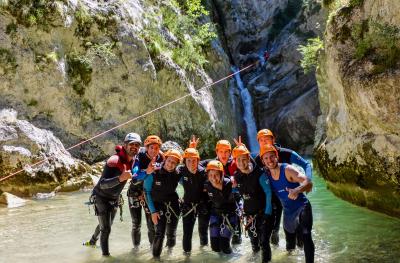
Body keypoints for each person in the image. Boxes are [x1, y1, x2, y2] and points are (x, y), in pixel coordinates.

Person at [84, 132, 141, 256]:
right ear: (125, 145)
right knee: (106, 229)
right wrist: (121, 178)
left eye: (137, 145)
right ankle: (106, 257)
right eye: (131, 144)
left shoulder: (134, 161)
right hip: (101, 197)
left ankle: (92, 242)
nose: (134, 147)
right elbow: (102, 184)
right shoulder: (114, 161)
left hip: (114, 198)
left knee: (105, 225)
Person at [254, 129, 312, 246]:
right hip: (273, 194)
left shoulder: (285, 153)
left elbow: (306, 164)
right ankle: (276, 245)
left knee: (298, 232)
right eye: (261, 140)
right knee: (276, 229)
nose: (264, 142)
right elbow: (249, 172)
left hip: (289, 192)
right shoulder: (259, 159)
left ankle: (300, 249)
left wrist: (307, 182)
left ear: (273, 139)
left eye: (267, 139)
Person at [260, 144, 314, 263]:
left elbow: (309, 183)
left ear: (277, 156)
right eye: (266, 158)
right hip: (288, 213)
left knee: (306, 235)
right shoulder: (266, 175)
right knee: (290, 247)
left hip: (302, 207)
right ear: (263, 161)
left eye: (272, 157)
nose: (270, 160)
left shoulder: (288, 169)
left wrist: (297, 190)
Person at [232, 144, 273, 262]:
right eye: (238, 159)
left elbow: (268, 192)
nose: (241, 162)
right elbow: (238, 190)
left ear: (249, 158)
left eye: (243, 159)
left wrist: (267, 213)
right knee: (254, 244)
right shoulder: (237, 176)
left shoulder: (259, 174)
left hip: (263, 213)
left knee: (264, 243)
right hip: (249, 216)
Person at [200, 140, 242, 244]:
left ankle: (237, 247)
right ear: (216, 152)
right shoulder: (211, 164)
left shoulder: (236, 162)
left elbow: (248, 167)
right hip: (217, 201)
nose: (224, 154)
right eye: (221, 151)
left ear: (231, 152)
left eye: (226, 151)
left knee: (236, 234)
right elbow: (194, 165)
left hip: (234, 199)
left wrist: (242, 150)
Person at [143, 149, 182, 258]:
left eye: (174, 163)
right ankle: (156, 259)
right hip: (158, 205)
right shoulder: (154, 172)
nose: (170, 164)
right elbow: (147, 192)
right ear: (165, 159)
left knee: (171, 232)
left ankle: (170, 254)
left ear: (177, 164)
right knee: (160, 233)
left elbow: (189, 185)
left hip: (173, 205)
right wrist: (153, 211)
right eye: (169, 161)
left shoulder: (178, 173)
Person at [127, 135, 164, 248]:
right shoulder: (139, 157)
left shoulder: (161, 157)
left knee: (151, 224)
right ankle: (136, 249)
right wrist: (147, 171)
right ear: (146, 148)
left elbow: (173, 163)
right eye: (151, 147)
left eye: (156, 148)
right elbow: (135, 175)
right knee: (136, 224)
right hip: (135, 192)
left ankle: (152, 250)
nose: (154, 150)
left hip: (148, 193)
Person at [178, 142, 210, 254]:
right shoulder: (181, 171)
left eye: (194, 161)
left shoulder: (204, 172)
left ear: (198, 161)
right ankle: (187, 256)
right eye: (189, 161)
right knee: (187, 232)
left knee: (203, 230)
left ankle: (204, 252)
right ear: (184, 162)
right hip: (187, 205)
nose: (192, 163)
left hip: (203, 204)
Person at [205, 160, 238, 254]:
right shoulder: (207, 185)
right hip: (215, 214)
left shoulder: (230, 184)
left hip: (230, 216)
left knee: (225, 245)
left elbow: (240, 196)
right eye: (210, 175)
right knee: (215, 247)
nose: (213, 178)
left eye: (216, 175)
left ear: (222, 174)